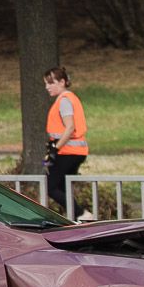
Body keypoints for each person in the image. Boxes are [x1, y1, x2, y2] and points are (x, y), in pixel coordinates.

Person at [43, 66, 94, 221]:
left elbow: (70, 127)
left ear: (63, 82)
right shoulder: (67, 99)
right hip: (74, 152)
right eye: (46, 83)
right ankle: (75, 218)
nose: (47, 87)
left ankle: (82, 215)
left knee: (51, 187)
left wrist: (54, 148)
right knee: (63, 188)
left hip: (68, 152)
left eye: (51, 83)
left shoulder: (65, 100)